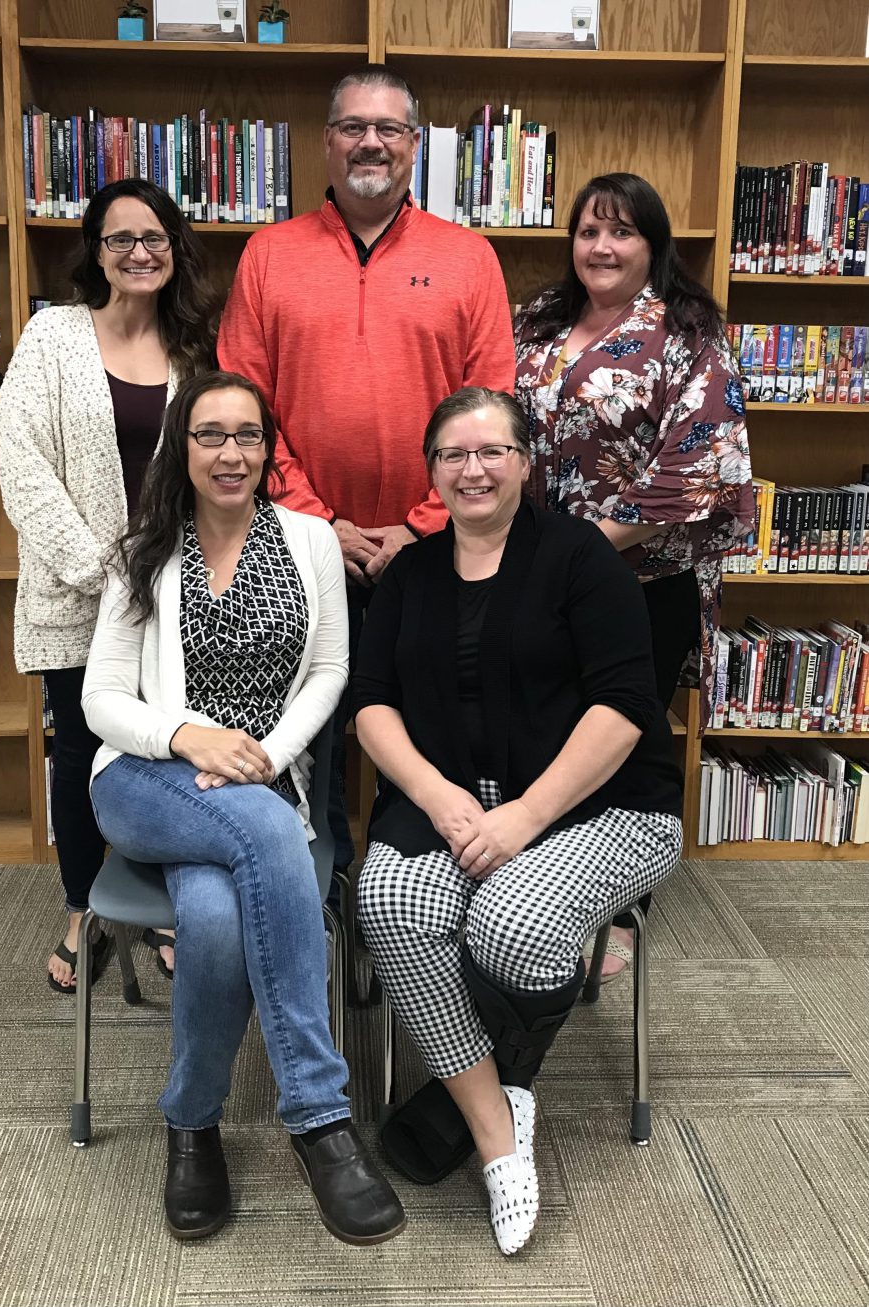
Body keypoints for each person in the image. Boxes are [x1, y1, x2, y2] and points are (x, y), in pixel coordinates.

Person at [352, 387, 684, 1255]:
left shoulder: (579, 559)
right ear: (432, 473)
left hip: (601, 806)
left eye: (492, 451)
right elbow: (371, 705)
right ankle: (500, 1129)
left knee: (511, 920)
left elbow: (624, 707)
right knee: (392, 902)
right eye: (454, 455)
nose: (474, 469)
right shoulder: (412, 573)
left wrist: (526, 817)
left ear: (526, 462)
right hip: (456, 798)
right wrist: (432, 793)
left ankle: (497, 1076)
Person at [81, 370, 406, 1246]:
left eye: (249, 436)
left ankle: (191, 1124)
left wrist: (265, 757)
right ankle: (318, 1118)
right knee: (264, 831)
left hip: (264, 779)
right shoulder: (140, 551)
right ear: (180, 447)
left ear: (269, 449)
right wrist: (190, 738)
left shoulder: (306, 540)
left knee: (217, 918)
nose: (232, 454)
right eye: (211, 435)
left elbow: (333, 671)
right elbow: (102, 700)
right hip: (144, 781)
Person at [218, 63, 516, 871]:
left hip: (436, 553)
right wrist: (321, 523)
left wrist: (420, 523)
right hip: (296, 549)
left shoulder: (469, 259)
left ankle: (403, 900)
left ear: (414, 146)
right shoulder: (269, 255)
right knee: (305, 742)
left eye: (389, 129)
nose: (371, 143)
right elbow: (241, 410)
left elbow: (491, 412)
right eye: (354, 126)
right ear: (326, 143)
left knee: (424, 734)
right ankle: (320, 895)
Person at [513, 172, 753, 980]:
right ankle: (553, 875)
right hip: (540, 571)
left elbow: (702, 466)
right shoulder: (539, 321)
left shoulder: (687, 332)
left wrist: (583, 550)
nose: (602, 247)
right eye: (588, 231)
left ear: (652, 245)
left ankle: (625, 906)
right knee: (555, 722)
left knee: (628, 731)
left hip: (643, 577)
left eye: (621, 232)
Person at [0, 177, 220, 992]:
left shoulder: (195, 347)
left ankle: (160, 902)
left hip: (173, 595)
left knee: (164, 749)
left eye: (154, 237)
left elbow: (216, 465)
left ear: (175, 250)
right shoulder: (51, 336)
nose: (139, 252)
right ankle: (83, 909)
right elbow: (22, 469)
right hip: (75, 595)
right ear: (95, 251)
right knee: (81, 749)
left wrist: (163, 577)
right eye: (120, 238)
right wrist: (105, 570)